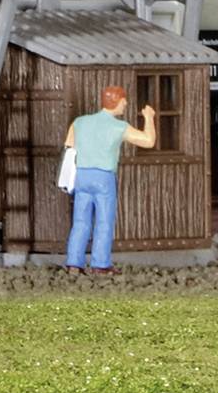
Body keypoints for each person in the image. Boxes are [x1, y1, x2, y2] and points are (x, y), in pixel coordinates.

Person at [61, 84, 157, 271]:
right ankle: (100, 264)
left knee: (80, 221)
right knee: (104, 222)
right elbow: (149, 141)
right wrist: (149, 118)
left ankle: (74, 263)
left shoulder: (80, 122)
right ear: (116, 102)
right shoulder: (119, 127)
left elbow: (69, 146)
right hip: (104, 177)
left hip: (82, 175)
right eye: (123, 100)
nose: (126, 103)